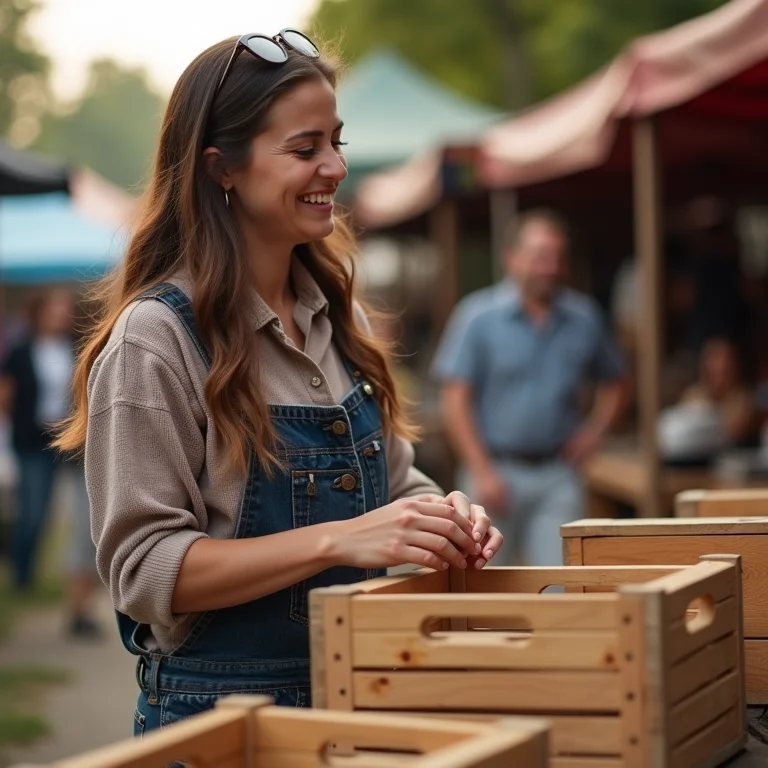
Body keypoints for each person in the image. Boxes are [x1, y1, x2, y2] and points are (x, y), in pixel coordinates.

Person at [54, 30, 502, 734]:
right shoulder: (156, 339)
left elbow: (395, 484)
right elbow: (144, 573)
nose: (334, 167)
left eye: (337, 142)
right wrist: (339, 538)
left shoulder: (342, 318)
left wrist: (445, 516)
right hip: (224, 725)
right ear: (221, 168)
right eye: (304, 149)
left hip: (366, 702)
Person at [432, 209, 627, 566]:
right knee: (487, 584)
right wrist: (481, 470)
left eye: (557, 256)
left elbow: (617, 380)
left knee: (561, 585)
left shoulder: (583, 317)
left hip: (558, 475)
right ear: (512, 258)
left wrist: (593, 434)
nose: (550, 267)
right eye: (540, 256)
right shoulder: (477, 316)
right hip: (493, 473)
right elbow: (455, 399)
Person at [0, 288, 102, 638]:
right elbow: (7, 395)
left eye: (65, 307)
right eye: (54, 307)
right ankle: (23, 575)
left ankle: (79, 607)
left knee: (85, 521)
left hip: (71, 441)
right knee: (34, 514)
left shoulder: (78, 347)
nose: (60, 313)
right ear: (40, 310)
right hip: (32, 441)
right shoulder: (20, 350)